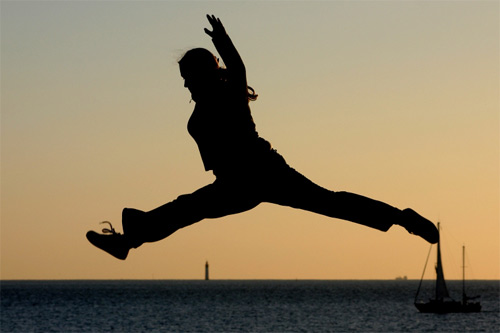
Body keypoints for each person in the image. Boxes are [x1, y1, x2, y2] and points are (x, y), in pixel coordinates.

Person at [87, 15, 438, 260]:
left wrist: (224, 43)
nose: (185, 84)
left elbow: (238, 70)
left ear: (204, 76)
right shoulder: (200, 111)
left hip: (265, 172)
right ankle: (127, 242)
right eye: (183, 78)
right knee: (187, 209)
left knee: (329, 202)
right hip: (236, 183)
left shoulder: (228, 96)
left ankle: (402, 218)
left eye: (188, 77)